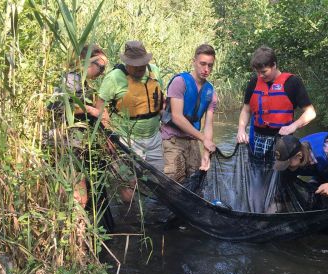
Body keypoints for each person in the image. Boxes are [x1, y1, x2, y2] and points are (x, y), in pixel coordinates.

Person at [94, 40, 165, 202]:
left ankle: (152, 220)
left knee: (159, 185)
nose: (140, 69)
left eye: (142, 64)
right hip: (126, 141)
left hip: (154, 138)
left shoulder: (155, 72)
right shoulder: (114, 78)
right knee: (129, 192)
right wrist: (107, 137)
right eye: (135, 65)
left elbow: (160, 101)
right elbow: (99, 109)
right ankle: (130, 221)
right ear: (126, 63)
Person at [48, 44, 109, 208]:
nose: (102, 72)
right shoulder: (71, 79)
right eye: (101, 67)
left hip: (76, 144)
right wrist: (92, 110)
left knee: (78, 193)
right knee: (78, 195)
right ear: (86, 61)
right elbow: (60, 104)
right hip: (66, 143)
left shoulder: (83, 83)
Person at [236, 46, 316, 158]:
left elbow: (311, 113)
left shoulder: (292, 82)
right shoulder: (254, 83)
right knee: (258, 173)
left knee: (281, 174)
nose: (260, 76)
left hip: (283, 142)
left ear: (274, 65)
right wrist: (241, 129)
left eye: (264, 72)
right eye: (258, 72)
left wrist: (293, 126)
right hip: (258, 139)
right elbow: (246, 110)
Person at [160, 44, 217, 182]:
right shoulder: (180, 82)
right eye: (202, 64)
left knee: (195, 180)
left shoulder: (211, 92)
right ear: (194, 61)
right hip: (172, 139)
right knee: (174, 181)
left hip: (192, 141)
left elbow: (208, 124)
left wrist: (206, 152)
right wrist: (203, 139)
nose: (206, 69)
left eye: (210, 65)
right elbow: (177, 117)